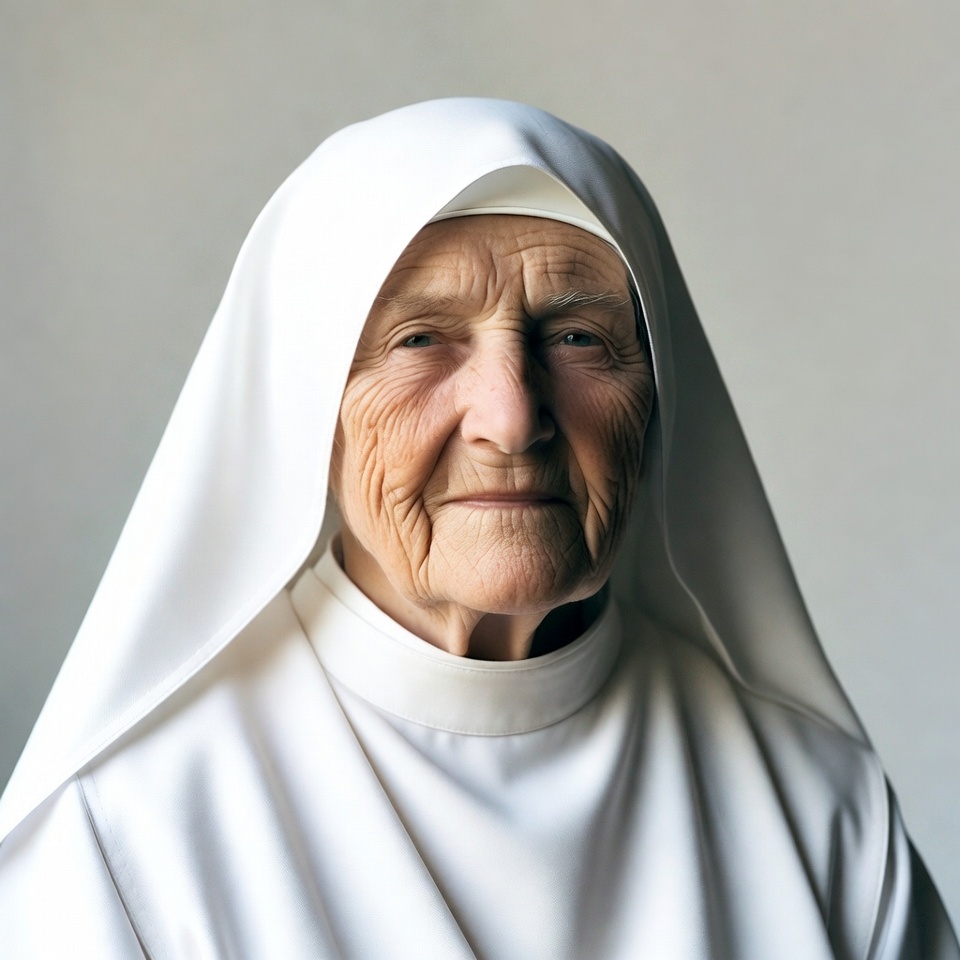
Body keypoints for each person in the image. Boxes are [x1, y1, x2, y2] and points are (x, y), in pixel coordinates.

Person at [0, 99, 955, 959]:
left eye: (577, 336)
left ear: (660, 394)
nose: (513, 416)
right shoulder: (124, 837)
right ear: (306, 405)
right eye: (420, 340)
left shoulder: (818, 807)